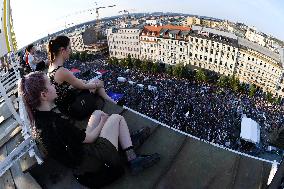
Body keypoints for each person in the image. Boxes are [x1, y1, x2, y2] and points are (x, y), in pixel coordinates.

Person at [18, 72, 160, 188]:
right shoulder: (56, 123)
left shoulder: (39, 121)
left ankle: (126, 143)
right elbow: (90, 138)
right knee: (116, 118)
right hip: (92, 163)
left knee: (96, 114)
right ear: (44, 95)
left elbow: (74, 139)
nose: (53, 85)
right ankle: (132, 158)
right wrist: (103, 123)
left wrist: (100, 122)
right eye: (50, 84)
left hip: (79, 163)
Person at [47, 35, 117, 120]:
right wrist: (97, 85)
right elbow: (82, 86)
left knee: (93, 82)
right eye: (69, 48)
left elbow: (71, 83)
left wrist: (87, 82)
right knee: (97, 82)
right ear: (62, 50)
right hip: (74, 108)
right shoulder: (62, 71)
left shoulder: (51, 66)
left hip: (64, 106)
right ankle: (112, 102)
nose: (70, 51)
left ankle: (109, 100)